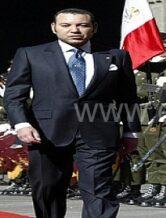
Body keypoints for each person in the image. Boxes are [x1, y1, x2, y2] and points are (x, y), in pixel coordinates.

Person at [4, 8, 141, 218]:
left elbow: (127, 98)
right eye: (66, 25)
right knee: (47, 189)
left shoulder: (115, 56)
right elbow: (14, 95)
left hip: (98, 131)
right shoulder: (31, 54)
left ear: (93, 28)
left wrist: (131, 131)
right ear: (54, 28)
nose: (74, 30)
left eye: (82, 25)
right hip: (46, 133)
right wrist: (21, 124)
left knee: (99, 192)